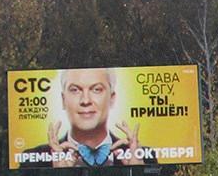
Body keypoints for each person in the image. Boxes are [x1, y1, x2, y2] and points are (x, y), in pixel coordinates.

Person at [19, 68, 154, 168]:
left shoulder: (144, 155)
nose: (85, 100)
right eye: (75, 90)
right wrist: (59, 174)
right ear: (63, 100)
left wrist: (136, 171)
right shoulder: (33, 159)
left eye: (96, 89)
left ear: (112, 98)